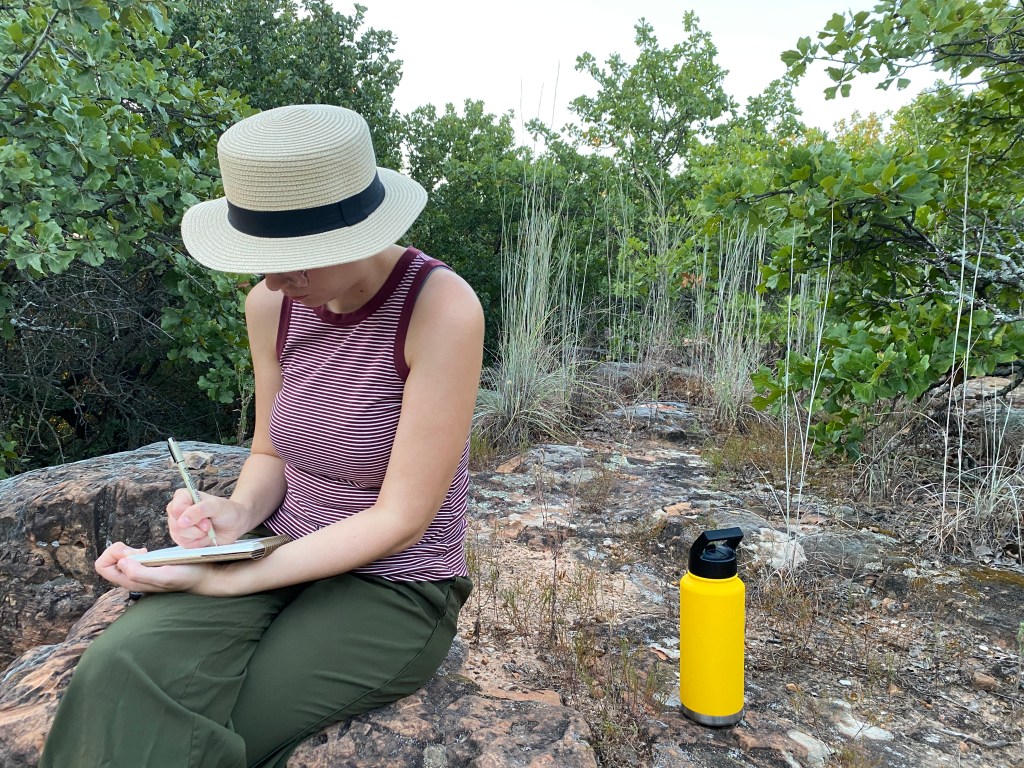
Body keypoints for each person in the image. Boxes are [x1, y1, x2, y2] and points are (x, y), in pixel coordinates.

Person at [40, 104, 483, 767]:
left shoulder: (441, 309)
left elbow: (400, 521)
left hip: (393, 585)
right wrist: (236, 513)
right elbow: (270, 449)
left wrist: (219, 582)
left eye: (292, 262)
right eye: (261, 259)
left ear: (355, 235)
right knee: (115, 669)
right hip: (275, 547)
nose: (273, 279)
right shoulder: (272, 304)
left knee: (225, 726)